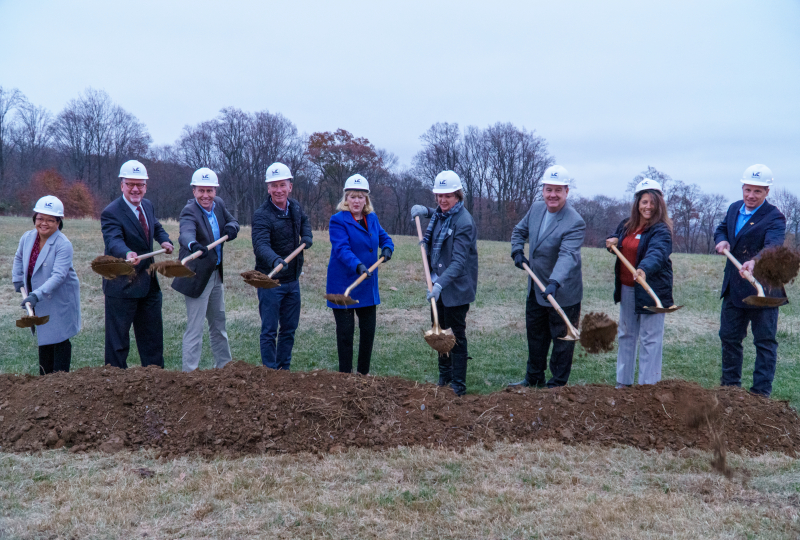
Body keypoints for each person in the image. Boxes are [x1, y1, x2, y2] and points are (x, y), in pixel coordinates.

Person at [509, 165, 585, 388]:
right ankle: (533, 378)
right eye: (548, 189)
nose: (553, 195)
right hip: (536, 287)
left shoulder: (575, 221)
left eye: (558, 190)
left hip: (562, 292)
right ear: (543, 190)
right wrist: (517, 251)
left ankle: (557, 386)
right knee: (536, 336)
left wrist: (554, 282)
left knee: (562, 341)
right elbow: (519, 231)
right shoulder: (536, 209)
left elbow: (568, 255)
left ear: (566, 192)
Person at [714, 164, 786, 397]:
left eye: (757, 191)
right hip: (734, 288)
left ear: (766, 192)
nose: (751, 196)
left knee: (764, 342)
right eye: (747, 190)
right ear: (742, 188)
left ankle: (760, 395)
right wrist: (723, 240)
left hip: (763, 289)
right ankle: (730, 389)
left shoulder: (775, 216)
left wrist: (755, 262)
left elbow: (772, 246)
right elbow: (722, 228)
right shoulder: (734, 208)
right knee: (729, 338)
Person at [101, 159, 174, 369]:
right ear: (122, 185)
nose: (135, 189)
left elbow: (156, 227)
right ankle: (114, 385)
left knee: (152, 340)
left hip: (148, 285)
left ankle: (155, 383)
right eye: (130, 184)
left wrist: (165, 240)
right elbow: (113, 239)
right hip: (122, 285)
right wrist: (126, 252)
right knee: (118, 344)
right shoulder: (111, 212)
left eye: (140, 184)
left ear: (146, 186)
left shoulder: (147, 206)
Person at [410, 170, 478, 396]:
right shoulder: (441, 214)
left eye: (447, 195)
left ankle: (458, 384)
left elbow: (459, 262)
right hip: (436, 285)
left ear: (458, 195)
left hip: (455, 289)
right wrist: (426, 211)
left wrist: (439, 286)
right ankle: (444, 376)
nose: (442, 200)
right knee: (439, 332)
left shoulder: (465, 222)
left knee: (455, 334)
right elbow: (439, 214)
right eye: (439, 195)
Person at [605, 178, 674, 388]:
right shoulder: (627, 225)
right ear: (637, 203)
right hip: (628, 288)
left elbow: (658, 252)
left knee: (650, 339)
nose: (648, 207)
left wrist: (643, 268)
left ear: (659, 204)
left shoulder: (661, 230)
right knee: (626, 333)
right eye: (644, 202)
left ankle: (647, 389)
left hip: (652, 289)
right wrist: (612, 240)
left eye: (652, 202)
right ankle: (622, 383)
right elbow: (618, 239)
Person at [172, 167, 240, 372]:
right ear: (194, 191)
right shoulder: (189, 211)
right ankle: (189, 375)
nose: (205, 195)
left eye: (209, 190)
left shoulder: (218, 205)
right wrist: (193, 245)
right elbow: (186, 234)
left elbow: (233, 222)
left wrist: (232, 229)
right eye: (201, 190)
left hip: (215, 273)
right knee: (195, 328)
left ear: (215, 191)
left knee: (219, 324)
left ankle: (225, 368)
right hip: (196, 276)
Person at [326, 174, 394, 375]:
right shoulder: (337, 221)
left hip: (367, 284)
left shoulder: (372, 218)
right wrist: (358, 265)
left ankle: (363, 376)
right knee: (346, 335)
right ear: (346, 199)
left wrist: (388, 248)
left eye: (360, 197)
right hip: (345, 285)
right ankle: (345, 377)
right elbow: (342, 249)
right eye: (352, 197)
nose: (356, 201)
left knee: (368, 333)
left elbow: (384, 237)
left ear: (366, 199)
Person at [252, 162, 313, 370]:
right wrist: (275, 260)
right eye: (274, 186)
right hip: (270, 280)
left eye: (282, 185)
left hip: (292, 280)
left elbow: (304, 220)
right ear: (268, 188)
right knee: (269, 330)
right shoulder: (262, 215)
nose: (278, 190)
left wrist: (307, 235)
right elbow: (260, 245)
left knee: (288, 329)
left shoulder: (295, 207)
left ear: (290, 187)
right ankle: (269, 372)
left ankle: (283, 370)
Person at [12, 196, 81, 375]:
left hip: (59, 297)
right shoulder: (28, 237)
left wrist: (36, 295)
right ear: (34, 218)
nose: (44, 223)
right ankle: (45, 384)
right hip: (40, 296)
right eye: (40, 218)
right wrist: (17, 279)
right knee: (45, 337)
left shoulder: (63, 244)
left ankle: (59, 383)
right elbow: (19, 258)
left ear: (59, 222)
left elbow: (58, 276)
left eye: (51, 220)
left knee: (59, 339)